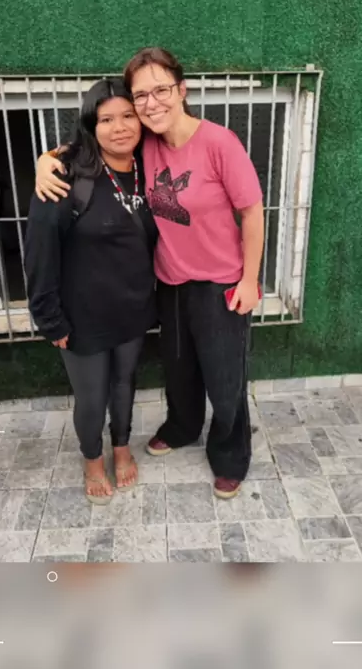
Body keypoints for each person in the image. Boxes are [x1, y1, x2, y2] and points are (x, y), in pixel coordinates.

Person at [35, 48, 264, 499]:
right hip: (170, 282)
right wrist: (46, 160)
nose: (150, 103)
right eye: (141, 95)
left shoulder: (220, 143)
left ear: (182, 90)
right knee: (179, 371)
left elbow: (252, 212)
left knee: (225, 380)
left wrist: (250, 280)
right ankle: (182, 427)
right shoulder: (147, 143)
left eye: (160, 90)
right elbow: (93, 140)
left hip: (221, 283)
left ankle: (230, 455)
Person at [24, 78, 157, 504]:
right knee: (92, 397)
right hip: (82, 316)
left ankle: (122, 446)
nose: (120, 128)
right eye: (106, 119)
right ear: (90, 125)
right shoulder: (66, 176)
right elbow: (39, 253)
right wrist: (50, 318)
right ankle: (92, 459)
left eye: (128, 116)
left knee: (124, 384)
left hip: (134, 307)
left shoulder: (150, 164)